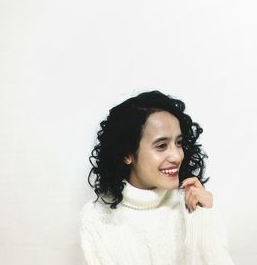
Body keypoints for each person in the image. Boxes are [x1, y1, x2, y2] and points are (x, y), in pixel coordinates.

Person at [80, 90, 235, 265]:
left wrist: (206, 218)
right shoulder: (97, 218)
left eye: (178, 143)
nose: (177, 156)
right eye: (161, 146)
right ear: (127, 154)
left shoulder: (192, 202)